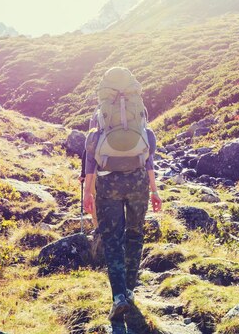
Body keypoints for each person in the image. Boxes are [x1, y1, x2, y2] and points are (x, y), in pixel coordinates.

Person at [82, 67, 163, 331]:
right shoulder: (139, 114)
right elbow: (148, 152)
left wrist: (87, 194)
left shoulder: (99, 116)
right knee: (135, 233)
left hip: (108, 183)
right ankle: (129, 290)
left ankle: (118, 296)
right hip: (138, 180)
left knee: (112, 239)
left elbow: (90, 158)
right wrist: (154, 190)